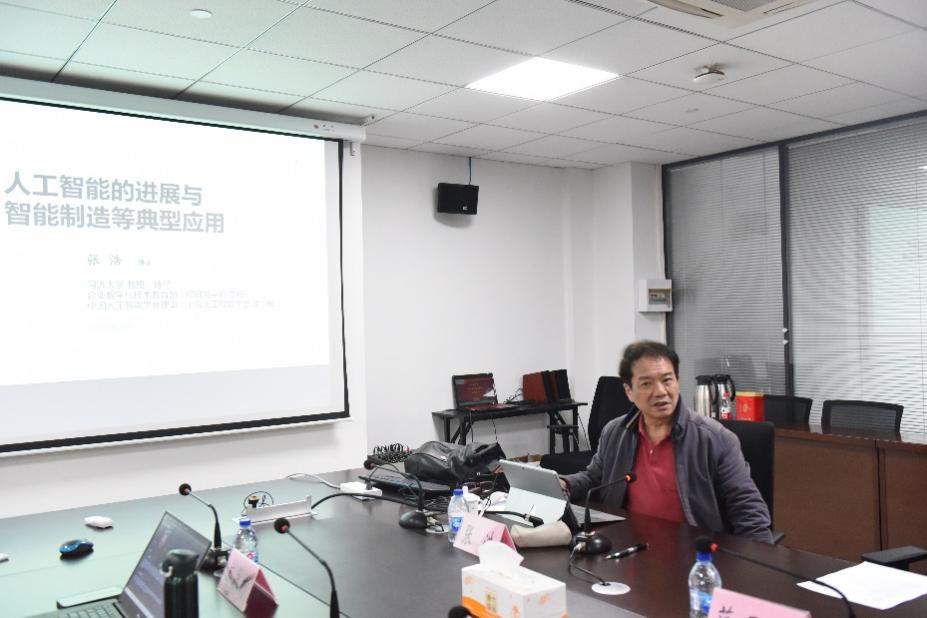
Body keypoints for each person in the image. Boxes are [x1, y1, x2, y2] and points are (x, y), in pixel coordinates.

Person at [561, 340, 773, 543]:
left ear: (677, 382)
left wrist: (759, 560)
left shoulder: (715, 438)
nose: (661, 392)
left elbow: (749, 512)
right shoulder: (616, 432)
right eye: (646, 383)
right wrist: (564, 484)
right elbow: (595, 478)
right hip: (627, 546)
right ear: (629, 391)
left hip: (694, 553)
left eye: (667, 380)